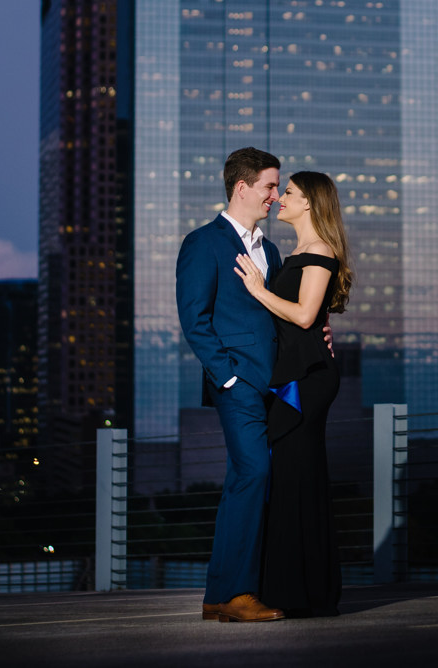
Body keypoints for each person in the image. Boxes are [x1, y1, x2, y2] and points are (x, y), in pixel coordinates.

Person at [234, 170, 353, 618]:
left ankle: (307, 594)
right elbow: (311, 319)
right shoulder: (296, 254)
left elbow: (304, 315)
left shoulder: (319, 251)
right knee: (291, 479)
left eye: (289, 193)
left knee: (298, 477)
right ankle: (296, 589)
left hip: (306, 383)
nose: (280, 198)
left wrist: (259, 290)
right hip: (295, 376)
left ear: (310, 204)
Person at [176, 147, 285, 623]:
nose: (275, 195)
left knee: (250, 480)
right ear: (242, 187)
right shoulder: (203, 243)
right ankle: (235, 593)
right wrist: (228, 375)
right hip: (237, 384)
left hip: (278, 387)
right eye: (268, 185)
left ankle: (222, 594)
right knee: (254, 474)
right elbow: (194, 319)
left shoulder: (272, 249)